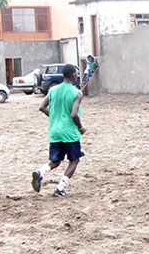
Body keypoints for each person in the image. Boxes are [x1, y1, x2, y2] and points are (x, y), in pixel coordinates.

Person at [31, 64, 86, 197]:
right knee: (74, 160)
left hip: (55, 131)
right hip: (70, 132)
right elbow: (74, 114)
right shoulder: (77, 93)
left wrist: (54, 116)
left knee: (55, 161)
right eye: (76, 74)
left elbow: (41, 107)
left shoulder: (53, 90)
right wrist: (81, 127)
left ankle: (40, 172)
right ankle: (60, 188)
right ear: (74, 75)